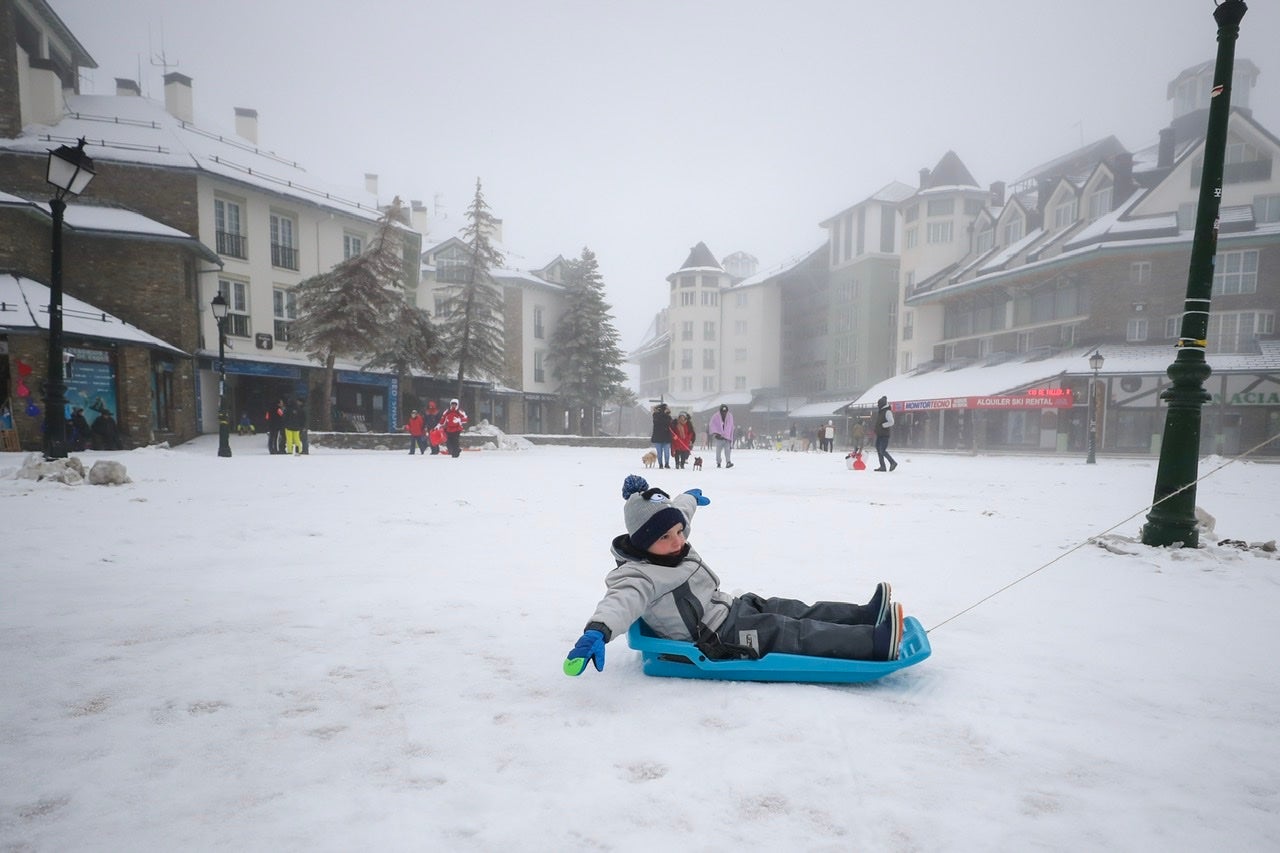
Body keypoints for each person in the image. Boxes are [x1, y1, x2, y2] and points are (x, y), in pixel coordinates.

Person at [563, 474, 905, 676]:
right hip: (714, 637)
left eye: (679, 533)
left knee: (790, 607)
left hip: (728, 607)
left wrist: (689, 498)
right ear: (643, 543)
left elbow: (679, 512)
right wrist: (598, 631)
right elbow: (620, 602)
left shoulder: (670, 536)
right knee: (789, 632)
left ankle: (863, 615)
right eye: (665, 538)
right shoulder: (639, 575)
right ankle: (871, 642)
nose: (677, 541)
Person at [873, 395, 898, 472]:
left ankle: (893, 462)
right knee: (879, 449)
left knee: (882, 450)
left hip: (884, 435)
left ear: (882, 404)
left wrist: (883, 425)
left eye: (878, 404)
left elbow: (891, 422)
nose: (878, 405)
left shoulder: (887, 411)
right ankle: (882, 466)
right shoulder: (881, 411)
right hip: (880, 434)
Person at [709, 403, 734, 468]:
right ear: (720, 411)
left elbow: (731, 427)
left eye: (725, 411)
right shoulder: (715, 416)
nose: (724, 412)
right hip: (719, 438)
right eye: (722, 411)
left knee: (727, 451)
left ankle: (728, 462)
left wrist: (730, 437)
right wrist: (716, 433)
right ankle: (718, 462)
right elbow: (712, 425)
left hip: (727, 438)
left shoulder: (730, 416)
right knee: (718, 452)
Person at [649, 402, 673, 470]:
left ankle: (666, 464)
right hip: (658, 437)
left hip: (665, 437)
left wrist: (667, 414)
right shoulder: (656, 415)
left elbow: (669, 423)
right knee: (660, 453)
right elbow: (660, 422)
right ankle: (661, 464)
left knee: (666, 453)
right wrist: (665, 414)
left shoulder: (668, 416)